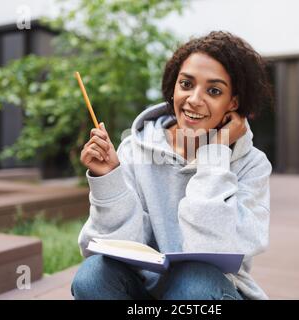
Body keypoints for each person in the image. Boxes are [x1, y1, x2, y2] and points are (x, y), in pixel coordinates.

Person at [71, 31, 273, 300]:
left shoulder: (252, 164)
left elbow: (211, 250)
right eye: (186, 84)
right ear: (173, 86)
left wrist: (217, 153)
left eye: (213, 90)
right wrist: (109, 179)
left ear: (233, 103)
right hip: (145, 291)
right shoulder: (133, 149)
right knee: (93, 275)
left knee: (193, 282)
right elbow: (113, 247)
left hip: (208, 292)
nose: (194, 99)